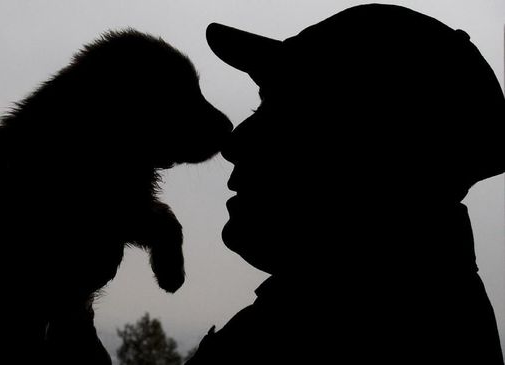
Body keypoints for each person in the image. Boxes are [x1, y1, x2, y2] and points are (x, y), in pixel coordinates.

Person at [187, 4, 505, 364]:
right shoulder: (433, 315)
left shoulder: (306, 334)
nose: (233, 144)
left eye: (285, 113)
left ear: (372, 150)